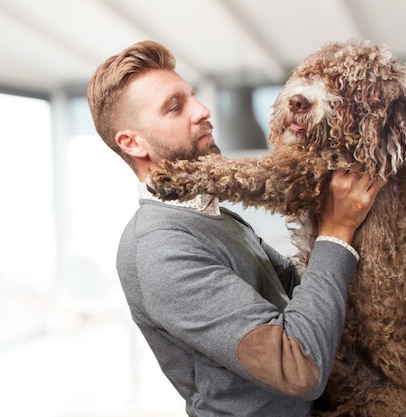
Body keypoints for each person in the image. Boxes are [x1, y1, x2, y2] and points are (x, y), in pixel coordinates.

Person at [87, 40, 384, 417]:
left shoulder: (210, 215)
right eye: (176, 107)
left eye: (192, 96)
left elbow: (297, 292)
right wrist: (338, 227)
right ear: (133, 143)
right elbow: (297, 368)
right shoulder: (158, 248)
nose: (202, 110)